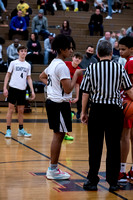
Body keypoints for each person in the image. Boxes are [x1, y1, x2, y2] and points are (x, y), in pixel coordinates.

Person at [80, 40, 133, 192]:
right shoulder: (119, 68)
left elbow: (85, 93)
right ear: (111, 53)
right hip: (115, 112)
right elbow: (129, 91)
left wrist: (84, 112)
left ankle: (92, 181)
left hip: (97, 110)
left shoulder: (91, 68)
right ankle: (113, 182)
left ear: (97, 54)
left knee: (95, 147)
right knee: (114, 147)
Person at [39, 34, 84, 180]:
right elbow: (68, 89)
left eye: (72, 48)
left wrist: (52, 87)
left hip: (53, 102)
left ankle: (53, 168)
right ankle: (53, 169)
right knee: (58, 136)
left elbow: (42, 76)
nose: (71, 51)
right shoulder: (63, 66)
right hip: (59, 104)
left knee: (58, 135)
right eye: (69, 48)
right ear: (61, 49)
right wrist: (76, 75)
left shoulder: (53, 63)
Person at [3, 45, 35, 138]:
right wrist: (5, 88)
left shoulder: (28, 65)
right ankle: (8, 130)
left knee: (21, 111)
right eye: (22, 51)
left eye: (25, 51)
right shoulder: (13, 63)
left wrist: (32, 91)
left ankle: (21, 130)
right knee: (10, 110)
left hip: (22, 90)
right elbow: (7, 75)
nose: (23, 53)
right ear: (18, 52)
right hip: (13, 89)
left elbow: (29, 78)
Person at [118, 36, 133, 183]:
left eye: (123, 49)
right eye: (119, 49)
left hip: (128, 103)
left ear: (131, 49)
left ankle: (121, 171)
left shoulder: (130, 63)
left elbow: (129, 88)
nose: (120, 52)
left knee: (124, 137)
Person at [64, 52, 83, 140]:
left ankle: (65, 133)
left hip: (68, 94)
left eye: (79, 58)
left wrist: (77, 97)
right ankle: (61, 132)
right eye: (76, 57)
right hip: (60, 91)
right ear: (72, 58)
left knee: (66, 113)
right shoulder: (65, 64)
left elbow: (77, 85)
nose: (77, 59)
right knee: (63, 113)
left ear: (80, 61)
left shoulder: (79, 70)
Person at [76, 45, 98, 119]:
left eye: (92, 51)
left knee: (88, 99)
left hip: (90, 83)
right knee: (79, 98)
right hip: (80, 82)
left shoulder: (95, 60)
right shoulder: (81, 59)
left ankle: (86, 112)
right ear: (86, 50)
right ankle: (79, 111)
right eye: (89, 51)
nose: (90, 52)